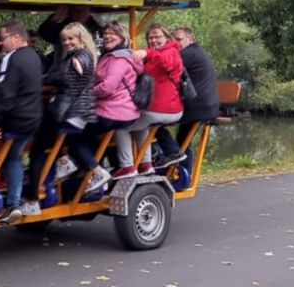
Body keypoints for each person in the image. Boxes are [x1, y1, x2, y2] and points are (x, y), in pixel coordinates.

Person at [24, 22, 98, 207]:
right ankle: (66, 163)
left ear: (80, 38)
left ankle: (33, 198)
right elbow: (55, 76)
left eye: (71, 38)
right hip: (70, 111)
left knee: (39, 149)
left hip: (66, 110)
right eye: (64, 39)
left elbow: (82, 64)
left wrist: (77, 64)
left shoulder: (81, 55)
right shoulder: (71, 56)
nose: (67, 42)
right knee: (61, 144)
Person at [65, 20, 141, 193]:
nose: (107, 37)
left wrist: (88, 91)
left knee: (73, 133)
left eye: (112, 33)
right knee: (89, 135)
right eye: (105, 34)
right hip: (124, 111)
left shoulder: (118, 58)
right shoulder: (118, 55)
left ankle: (96, 172)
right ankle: (86, 168)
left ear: (122, 37)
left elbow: (108, 87)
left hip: (114, 111)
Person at [0, 20, 44, 224]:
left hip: (14, 120)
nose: (0, 43)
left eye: (3, 38)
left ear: (16, 38)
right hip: (33, 118)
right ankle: (13, 202)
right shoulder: (34, 56)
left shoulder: (11, 58)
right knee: (13, 156)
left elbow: (3, 95)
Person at [113, 24, 184, 179]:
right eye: (151, 37)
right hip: (158, 110)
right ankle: (146, 165)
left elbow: (166, 62)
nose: (154, 40)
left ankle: (127, 167)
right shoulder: (155, 55)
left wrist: (146, 52)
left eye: (158, 36)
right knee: (139, 126)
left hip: (164, 108)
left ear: (166, 38)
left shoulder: (171, 51)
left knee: (120, 126)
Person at [154, 26, 219, 168]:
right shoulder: (195, 51)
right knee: (182, 140)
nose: (175, 43)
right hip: (205, 105)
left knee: (154, 122)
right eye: (173, 39)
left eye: (179, 39)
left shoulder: (188, 54)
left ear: (190, 39)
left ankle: (170, 160)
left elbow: (164, 69)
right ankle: (180, 172)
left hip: (197, 107)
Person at [37, 5, 101, 63]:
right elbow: (44, 33)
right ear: (70, 12)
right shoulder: (63, 27)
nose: (80, 14)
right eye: (77, 11)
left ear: (89, 11)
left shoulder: (96, 28)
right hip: (63, 64)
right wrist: (54, 19)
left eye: (83, 11)